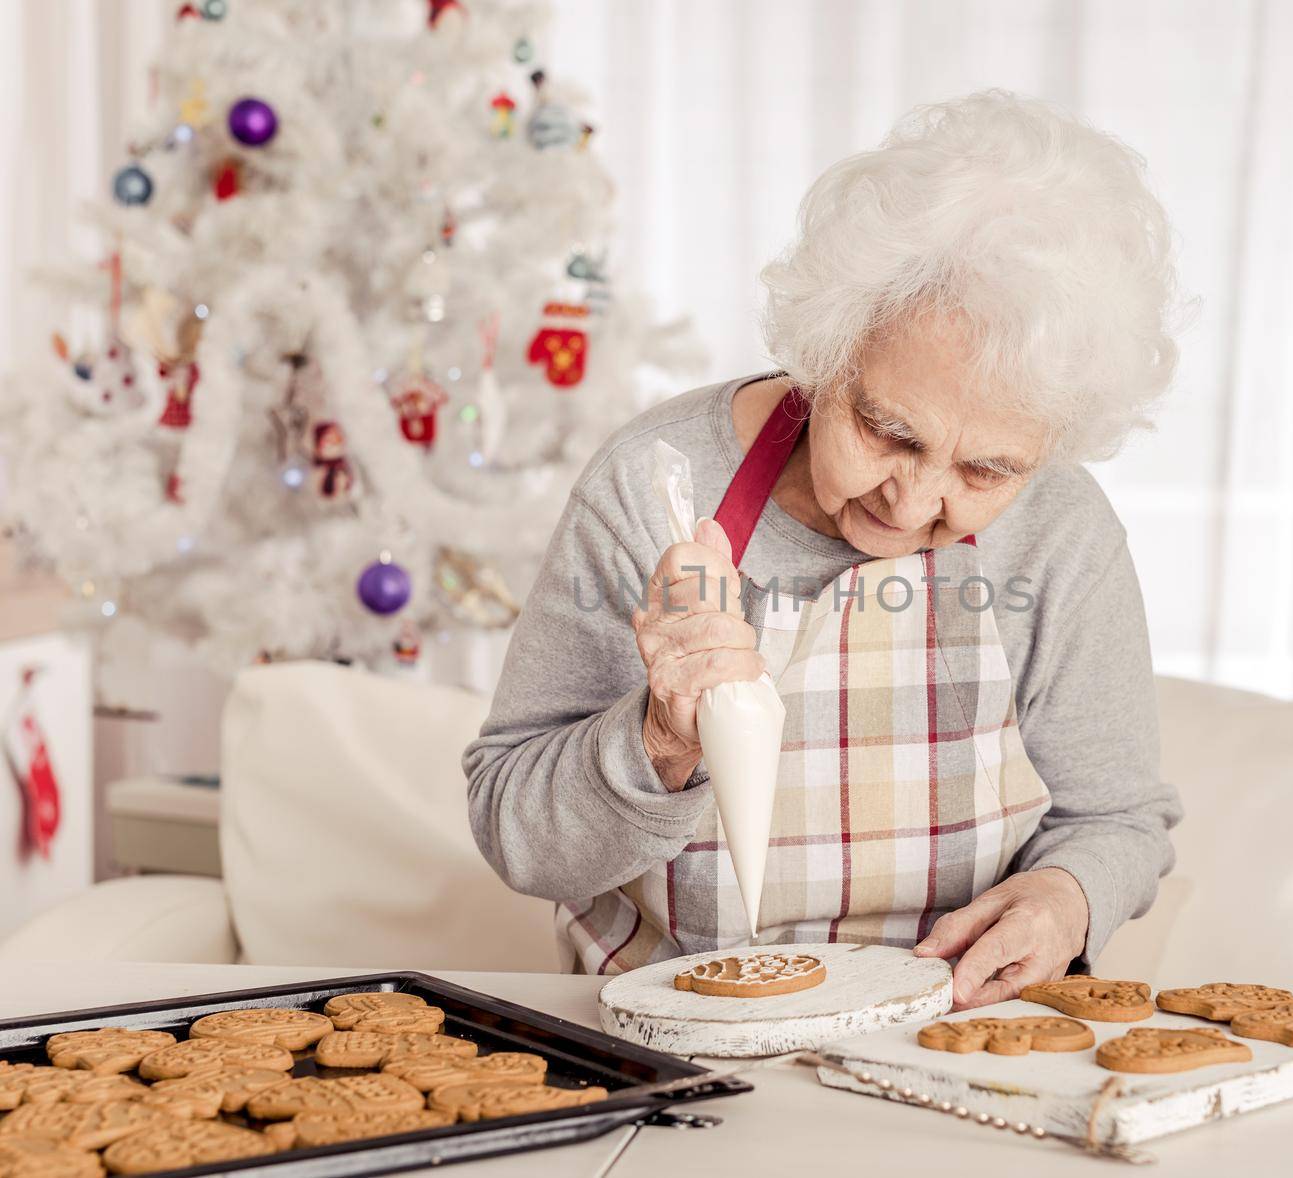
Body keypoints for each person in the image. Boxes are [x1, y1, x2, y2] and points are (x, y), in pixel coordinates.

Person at [464, 89, 1190, 1009]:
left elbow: (1118, 819)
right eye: (889, 431)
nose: (917, 500)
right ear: (825, 354)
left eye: (988, 469)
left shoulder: (1061, 533)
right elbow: (513, 834)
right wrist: (658, 741)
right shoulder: (656, 486)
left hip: (950, 1045)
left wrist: (1065, 899)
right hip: (672, 1044)